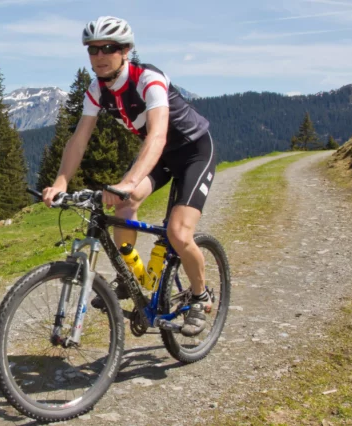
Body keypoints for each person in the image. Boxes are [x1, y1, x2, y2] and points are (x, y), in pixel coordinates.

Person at [41, 16, 217, 337]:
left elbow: (158, 135)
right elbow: (79, 138)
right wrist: (61, 181)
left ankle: (199, 296)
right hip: (160, 157)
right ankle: (127, 276)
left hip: (194, 152)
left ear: (125, 51)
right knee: (124, 206)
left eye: (108, 48)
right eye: (92, 49)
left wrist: (129, 181)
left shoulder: (148, 79)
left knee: (178, 233)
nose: (99, 56)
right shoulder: (97, 89)